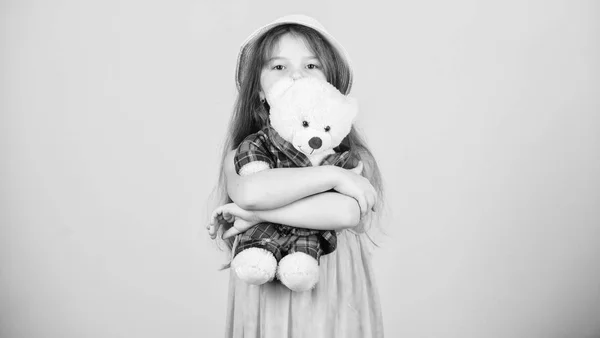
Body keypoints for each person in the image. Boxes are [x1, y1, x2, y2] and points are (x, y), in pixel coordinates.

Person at [207, 14, 385, 338]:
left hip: (334, 298)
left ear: (330, 88)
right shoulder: (242, 156)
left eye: (311, 66)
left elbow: (344, 212)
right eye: (278, 67)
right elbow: (251, 192)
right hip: (266, 299)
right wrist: (333, 179)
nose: (296, 77)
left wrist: (252, 215)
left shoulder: (353, 161)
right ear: (259, 92)